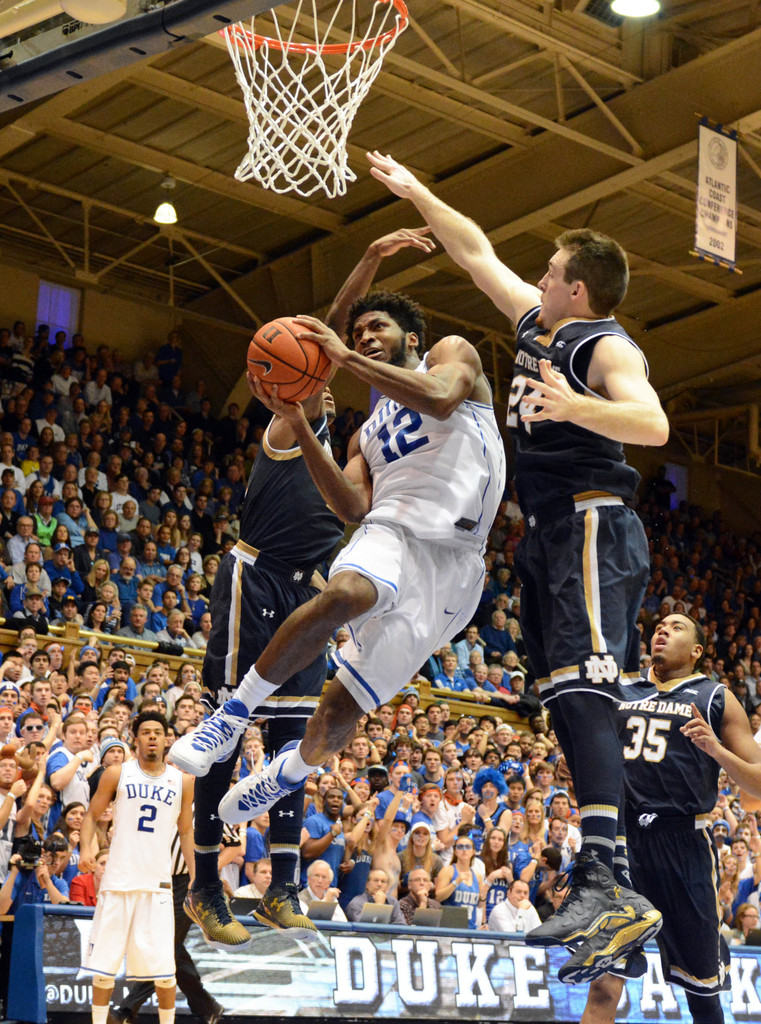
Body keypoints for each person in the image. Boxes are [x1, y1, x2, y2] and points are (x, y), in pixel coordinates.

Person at [364, 150, 669, 968]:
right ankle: (612, 892)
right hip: (544, 533)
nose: (536, 278)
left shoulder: (603, 347)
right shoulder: (538, 324)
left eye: (550, 271)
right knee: (564, 696)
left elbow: (653, 424)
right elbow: (474, 251)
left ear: (578, 287)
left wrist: (577, 405)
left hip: (591, 523)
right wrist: (421, 189)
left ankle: (610, 879)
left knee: (587, 685)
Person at [169, 228, 488, 943]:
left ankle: (282, 886)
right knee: (229, 732)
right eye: (349, 341)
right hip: (256, 577)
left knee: (296, 733)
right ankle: (202, 888)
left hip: (314, 584)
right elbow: (312, 341)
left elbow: (353, 501)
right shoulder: (294, 416)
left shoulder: (367, 434)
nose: (327, 372)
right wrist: (368, 264)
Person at [577, 613, 761, 1023]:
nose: (663, 629)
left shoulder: (715, 696)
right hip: (622, 844)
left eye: (676, 627)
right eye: (660, 625)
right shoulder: (621, 687)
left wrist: (717, 750)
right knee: (605, 983)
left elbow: (759, 786)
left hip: (684, 845)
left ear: (697, 651)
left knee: (702, 991)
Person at [79, 711, 194, 1024]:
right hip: (118, 879)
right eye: (146, 732)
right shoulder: (117, 773)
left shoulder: (182, 780)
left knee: (164, 970)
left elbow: (186, 832)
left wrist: (196, 877)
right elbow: (90, 815)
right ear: (136, 738)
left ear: (167, 738)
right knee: (103, 968)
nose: (153, 736)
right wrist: (85, 848)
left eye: (158, 731)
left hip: (157, 884)